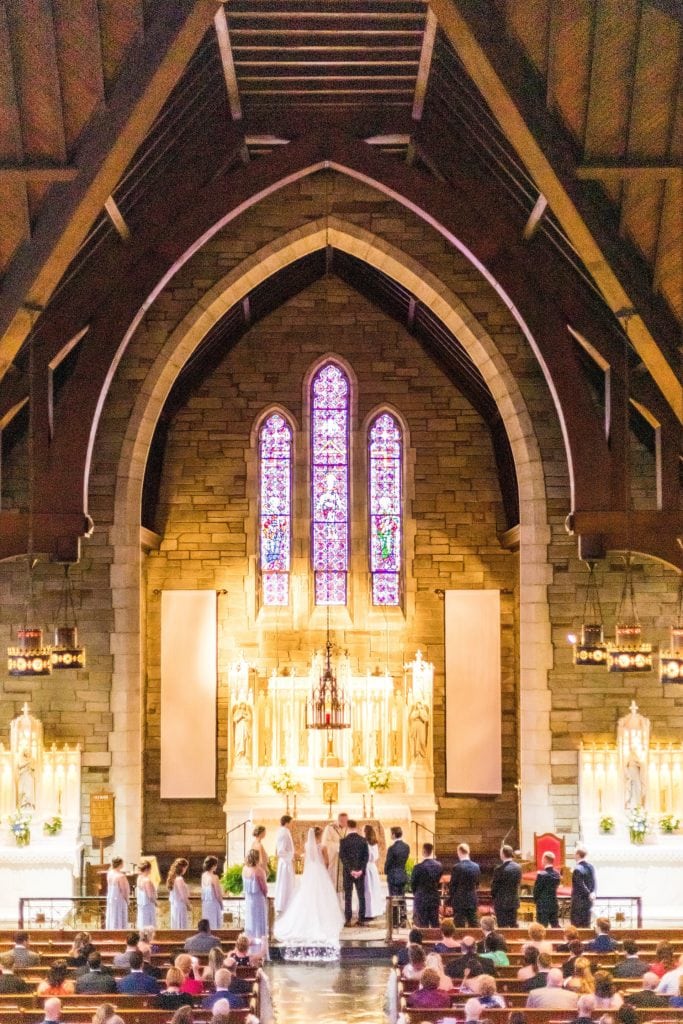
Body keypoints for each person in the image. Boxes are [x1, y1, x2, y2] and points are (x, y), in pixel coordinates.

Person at [273, 825, 343, 953]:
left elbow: (307, 861)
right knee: (322, 897)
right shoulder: (322, 847)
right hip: (320, 872)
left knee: (306, 897)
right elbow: (327, 862)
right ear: (319, 835)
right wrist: (324, 870)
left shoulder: (307, 846)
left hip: (309, 874)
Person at [339, 819, 369, 926]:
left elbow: (342, 857)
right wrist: (361, 870)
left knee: (348, 896)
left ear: (347, 826)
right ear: (356, 826)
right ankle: (361, 919)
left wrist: (351, 870)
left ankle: (348, 919)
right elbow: (366, 857)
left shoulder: (343, 841)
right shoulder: (363, 840)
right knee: (361, 895)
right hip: (360, 872)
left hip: (348, 873)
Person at [410, 842, 443, 928]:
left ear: (423, 851)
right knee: (435, 923)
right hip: (434, 897)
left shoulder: (418, 867)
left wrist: (416, 893)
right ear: (432, 851)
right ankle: (435, 941)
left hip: (421, 897)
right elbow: (438, 881)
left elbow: (413, 883)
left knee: (423, 924)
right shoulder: (439, 866)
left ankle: (425, 941)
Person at [448, 842, 480, 927]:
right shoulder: (476, 866)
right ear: (468, 852)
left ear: (459, 852)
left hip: (459, 900)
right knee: (474, 925)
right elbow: (477, 883)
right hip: (472, 899)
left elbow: (452, 886)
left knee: (459, 926)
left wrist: (451, 898)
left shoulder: (457, 867)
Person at [384, 825, 409, 928]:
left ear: (393, 834)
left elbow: (388, 863)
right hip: (402, 874)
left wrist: (386, 871)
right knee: (402, 898)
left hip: (393, 875)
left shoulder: (392, 848)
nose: (390, 835)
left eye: (391, 833)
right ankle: (403, 920)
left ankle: (394, 922)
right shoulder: (406, 846)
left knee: (393, 899)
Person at [491, 844, 521, 927]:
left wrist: (494, 898)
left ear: (503, 855)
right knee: (513, 926)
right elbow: (518, 883)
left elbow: (494, 887)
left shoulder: (499, 869)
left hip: (501, 902)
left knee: (502, 927)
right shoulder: (518, 867)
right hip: (513, 901)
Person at [242, 848, 268, 941]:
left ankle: (249, 938)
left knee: (250, 919)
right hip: (258, 899)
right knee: (258, 919)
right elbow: (264, 887)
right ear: (257, 858)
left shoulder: (244, 869)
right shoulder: (259, 871)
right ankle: (259, 939)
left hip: (249, 899)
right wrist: (265, 895)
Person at [321, 812, 348, 897]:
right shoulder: (330, 828)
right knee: (334, 881)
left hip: (345, 860)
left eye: (346, 821)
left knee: (344, 882)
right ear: (339, 820)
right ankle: (333, 900)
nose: (345, 823)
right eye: (343, 821)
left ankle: (342, 902)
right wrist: (339, 846)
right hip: (334, 859)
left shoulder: (347, 828)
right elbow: (325, 843)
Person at [274, 814, 295, 915]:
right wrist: (292, 856)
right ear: (287, 822)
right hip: (285, 863)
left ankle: (286, 904)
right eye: (291, 822)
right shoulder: (283, 833)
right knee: (285, 884)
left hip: (286, 861)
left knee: (287, 884)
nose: (292, 824)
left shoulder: (284, 831)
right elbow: (280, 851)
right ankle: (283, 905)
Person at [533, 850, 561, 927]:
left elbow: (536, 891)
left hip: (543, 905)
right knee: (555, 927)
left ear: (545, 859)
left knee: (542, 928)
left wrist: (535, 900)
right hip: (553, 904)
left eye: (542, 858)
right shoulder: (557, 874)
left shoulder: (541, 875)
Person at [570, 846, 596, 927]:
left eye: (575, 854)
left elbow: (580, 884)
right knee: (586, 924)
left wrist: (588, 893)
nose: (574, 856)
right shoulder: (591, 867)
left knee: (576, 925)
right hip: (588, 901)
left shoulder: (577, 869)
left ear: (578, 855)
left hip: (579, 901)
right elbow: (594, 881)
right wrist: (593, 892)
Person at [363, 824, 383, 919]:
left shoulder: (364, 843)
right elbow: (376, 856)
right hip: (372, 867)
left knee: (368, 890)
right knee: (373, 889)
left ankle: (368, 912)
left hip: (366, 867)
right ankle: (375, 910)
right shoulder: (374, 843)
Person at [105, 857, 130, 930]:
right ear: (120, 864)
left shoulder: (110, 873)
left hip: (111, 898)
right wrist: (127, 900)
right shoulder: (121, 876)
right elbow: (123, 890)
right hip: (119, 899)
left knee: (112, 915)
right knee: (119, 915)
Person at [201, 856, 224, 930]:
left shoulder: (203, 875)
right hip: (213, 904)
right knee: (214, 924)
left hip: (205, 903)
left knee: (207, 923)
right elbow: (218, 894)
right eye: (216, 865)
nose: (216, 866)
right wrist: (221, 904)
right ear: (213, 866)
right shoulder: (215, 877)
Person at [167, 858, 191, 929]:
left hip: (175, 906)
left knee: (176, 925)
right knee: (181, 926)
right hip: (180, 907)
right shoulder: (179, 879)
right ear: (182, 868)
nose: (185, 870)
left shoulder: (173, 878)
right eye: (186, 868)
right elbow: (183, 896)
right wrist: (188, 905)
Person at [136, 860, 157, 929]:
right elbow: (150, 895)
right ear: (147, 869)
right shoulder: (146, 880)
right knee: (149, 923)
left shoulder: (139, 878)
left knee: (142, 922)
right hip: (148, 905)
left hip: (141, 904)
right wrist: (156, 903)